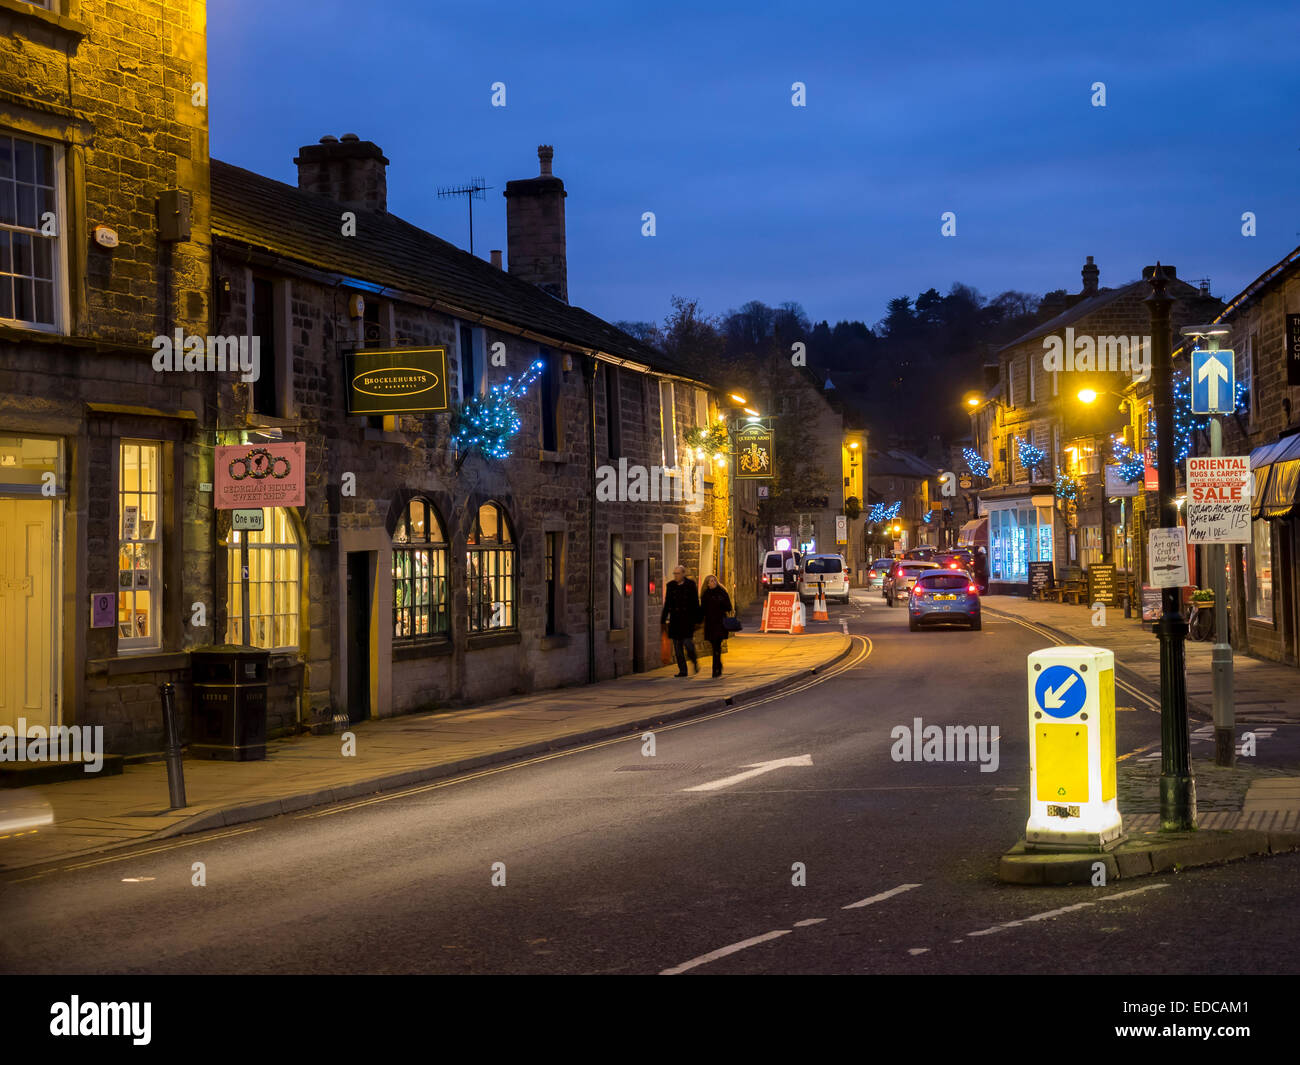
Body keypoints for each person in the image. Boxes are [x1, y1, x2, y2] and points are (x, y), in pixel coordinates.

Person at [661, 565, 700, 676]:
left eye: (677, 573)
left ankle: (694, 660)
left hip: (687, 621)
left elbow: (695, 603)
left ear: (683, 574)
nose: (676, 576)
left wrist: (697, 619)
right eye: (674, 573)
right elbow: (667, 604)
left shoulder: (690, 585)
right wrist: (663, 620)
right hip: (675, 621)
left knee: (688, 644)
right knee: (677, 647)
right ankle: (683, 670)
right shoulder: (671, 586)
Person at [699, 575, 734, 677]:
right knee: (714, 647)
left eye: (714, 580)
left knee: (716, 646)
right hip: (710, 624)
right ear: (707, 584)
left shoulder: (722, 592)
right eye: (710, 581)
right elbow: (703, 610)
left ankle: (715, 669)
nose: (713, 582)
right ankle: (718, 665)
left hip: (720, 623)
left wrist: (720, 602)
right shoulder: (705, 595)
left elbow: (729, 607)